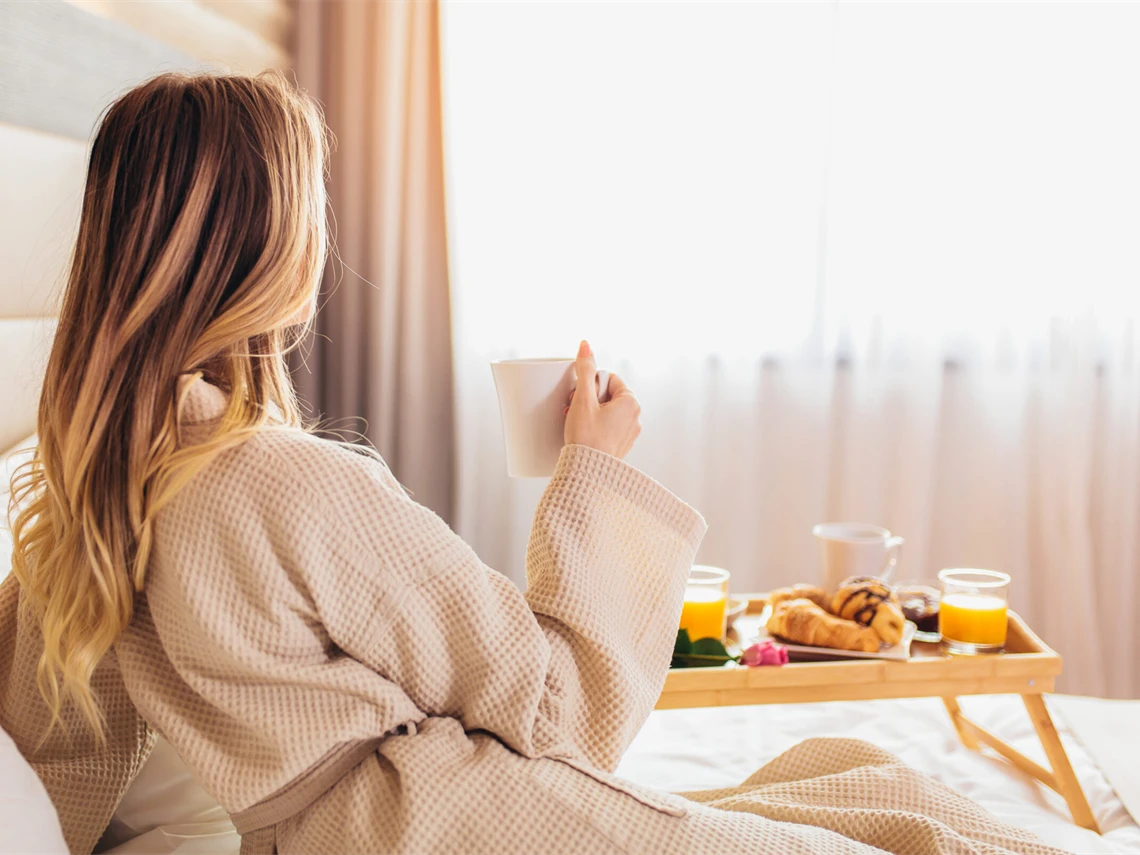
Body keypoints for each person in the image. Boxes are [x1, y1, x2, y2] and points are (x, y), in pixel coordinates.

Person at [2, 72, 1062, 855]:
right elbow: (564, 718)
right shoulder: (276, 483)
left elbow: (65, 767)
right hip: (468, 829)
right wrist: (589, 473)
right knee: (925, 826)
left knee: (865, 780)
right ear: (274, 240)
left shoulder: (88, 505)